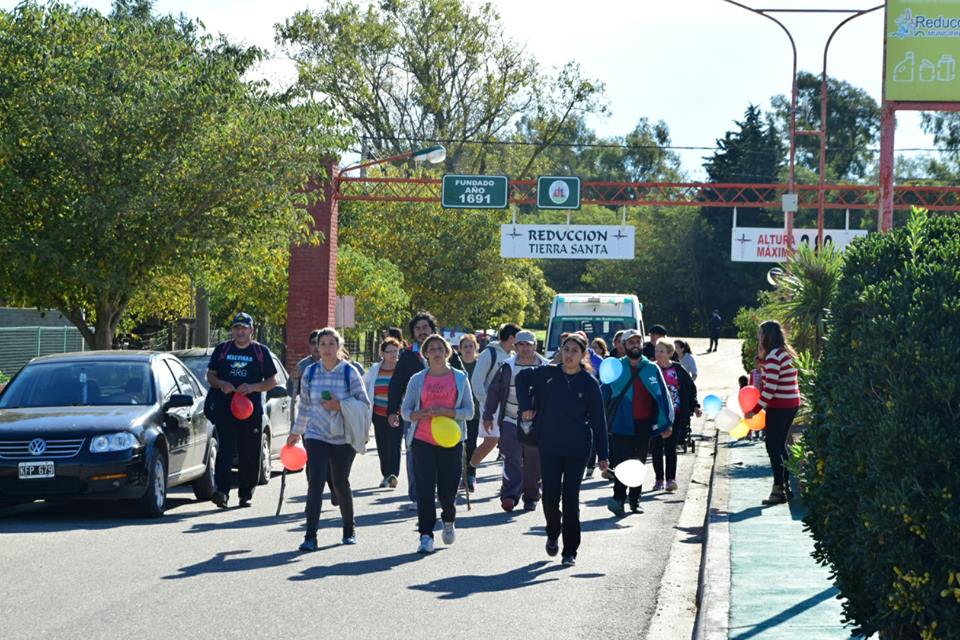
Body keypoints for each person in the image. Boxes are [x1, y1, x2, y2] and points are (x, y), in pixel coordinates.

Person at [516, 333, 609, 567]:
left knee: (570, 498)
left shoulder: (589, 383)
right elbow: (521, 378)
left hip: (577, 448)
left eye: (574, 351)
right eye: (566, 349)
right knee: (550, 496)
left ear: (583, 355)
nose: (569, 355)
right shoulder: (548, 374)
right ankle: (552, 532)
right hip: (550, 445)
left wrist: (603, 455)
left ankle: (570, 550)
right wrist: (526, 407)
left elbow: (599, 422)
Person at [289, 328, 370, 551]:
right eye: (322, 344)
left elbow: (364, 404)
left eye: (331, 344)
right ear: (317, 347)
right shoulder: (310, 372)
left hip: (343, 435)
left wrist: (339, 405)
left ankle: (349, 529)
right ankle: (310, 536)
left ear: (339, 346)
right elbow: (305, 405)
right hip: (316, 434)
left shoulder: (349, 372)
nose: (326, 348)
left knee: (340, 482)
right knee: (315, 482)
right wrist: (296, 432)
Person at [401, 335, 474, 554]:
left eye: (440, 348)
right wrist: (418, 414)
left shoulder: (459, 378)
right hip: (423, 439)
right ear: (426, 354)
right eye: (431, 349)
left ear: (447, 352)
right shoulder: (417, 379)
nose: (436, 352)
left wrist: (448, 412)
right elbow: (405, 411)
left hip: (451, 441)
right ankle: (425, 535)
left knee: (447, 492)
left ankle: (449, 519)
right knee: (424, 489)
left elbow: (469, 412)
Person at [387, 311, 463, 510]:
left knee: (445, 457)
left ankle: (444, 494)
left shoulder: (447, 353)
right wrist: (393, 411)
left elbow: (463, 384)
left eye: (425, 327)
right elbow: (396, 383)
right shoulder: (407, 355)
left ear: (432, 329)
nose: (422, 331)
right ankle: (418, 496)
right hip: (416, 415)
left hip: (446, 416)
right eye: (417, 329)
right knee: (414, 455)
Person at [206, 312, 279, 509]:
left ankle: (246, 494)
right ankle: (221, 492)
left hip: (251, 411)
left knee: (250, 452)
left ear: (251, 330)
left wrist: (253, 387)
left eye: (244, 328)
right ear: (232, 330)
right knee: (225, 450)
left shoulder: (260, 352)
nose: (240, 332)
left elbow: (273, 380)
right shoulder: (222, 349)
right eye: (237, 328)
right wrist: (221, 384)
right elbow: (210, 376)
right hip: (225, 409)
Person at [602, 329, 674, 516]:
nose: (635, 345)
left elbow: (663, 396)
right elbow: (603, 394)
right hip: (621, 424)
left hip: (644, 424)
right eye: (631, 342)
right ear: (623, 345)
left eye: (638, 342)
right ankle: (618, 499)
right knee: (622, 464)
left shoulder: (651, 368)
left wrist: (666, 423)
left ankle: (635, 501)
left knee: (638, 463)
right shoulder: (616, 367)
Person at [483, 330, 550, 512]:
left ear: (535, 346)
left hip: (536, 423)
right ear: (515, 346)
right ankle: (510, 496)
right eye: (521, 344)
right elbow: (494, 392)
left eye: (528, 344)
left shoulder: (546, 366)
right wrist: (488, 415)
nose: (525, 348)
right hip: (510, 419)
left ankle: (531, 496)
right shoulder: (507, 367)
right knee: (511, 458)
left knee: (533, 461)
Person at [745, 320, 801, 506]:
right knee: (780, 445)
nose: (758, 337)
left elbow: (770, 388)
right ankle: (785, 486)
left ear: (767, 336)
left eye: (760, 334)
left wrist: (754, 410)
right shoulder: (784, 353)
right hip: (791, 403)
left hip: (780, 405)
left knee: (772, 446)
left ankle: (778, 489)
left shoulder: (774, 356)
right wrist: (762, 360)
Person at [292, 329, 340, 507]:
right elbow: (294, 394)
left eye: (328, 344)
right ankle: (313, 497)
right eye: (315, 344)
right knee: (313, 462)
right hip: (311, 424)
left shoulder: (341, 366)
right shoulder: (304, 366)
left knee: (331, 462)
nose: (317, 347)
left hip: (335, 423)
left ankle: (336, 489)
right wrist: (294, 379)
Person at [650, 339, 701, 492]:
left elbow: (690, 388)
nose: (658, 354)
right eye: (656, 351)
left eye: (661, 351)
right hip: (655, 415)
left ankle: (671, 479)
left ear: (669, 353)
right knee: (656, 447)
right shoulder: (651, 369)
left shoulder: (677, 369)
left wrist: (695, 406)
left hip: (675, 415)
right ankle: (659, 479)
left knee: (670, 447)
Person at [469, 323, 519, 470]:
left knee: (508, 442)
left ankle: (510, 478)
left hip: (508, 407)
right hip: (491, 406)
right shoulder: (489, 353)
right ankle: (469, 471)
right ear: (511, 338)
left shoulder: (513, 356)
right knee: (490, 441)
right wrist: (487, 403)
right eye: (518, 338)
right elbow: (476, 381)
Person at [363, 337, 402, 488]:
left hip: (397, 413)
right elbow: (364, 385)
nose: (393, 354)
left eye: (395, 351)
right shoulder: (375, 370)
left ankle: (393, 475)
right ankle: (386, 474)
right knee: (382, 445)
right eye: (389, 351)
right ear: (382, 353)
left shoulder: (401, 369)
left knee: (394, 444)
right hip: (378, 413)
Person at [458, 334, 481, 492]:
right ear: (460, 349)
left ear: (476, 347)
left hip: (475, 412)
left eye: (470, 346)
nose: (468, 349)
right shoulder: (456, 365)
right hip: (458, 411)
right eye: (465, 346)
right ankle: (459, 475)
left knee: (471, 444)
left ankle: (470, 475)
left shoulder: (480, 365)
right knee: (458, 445)